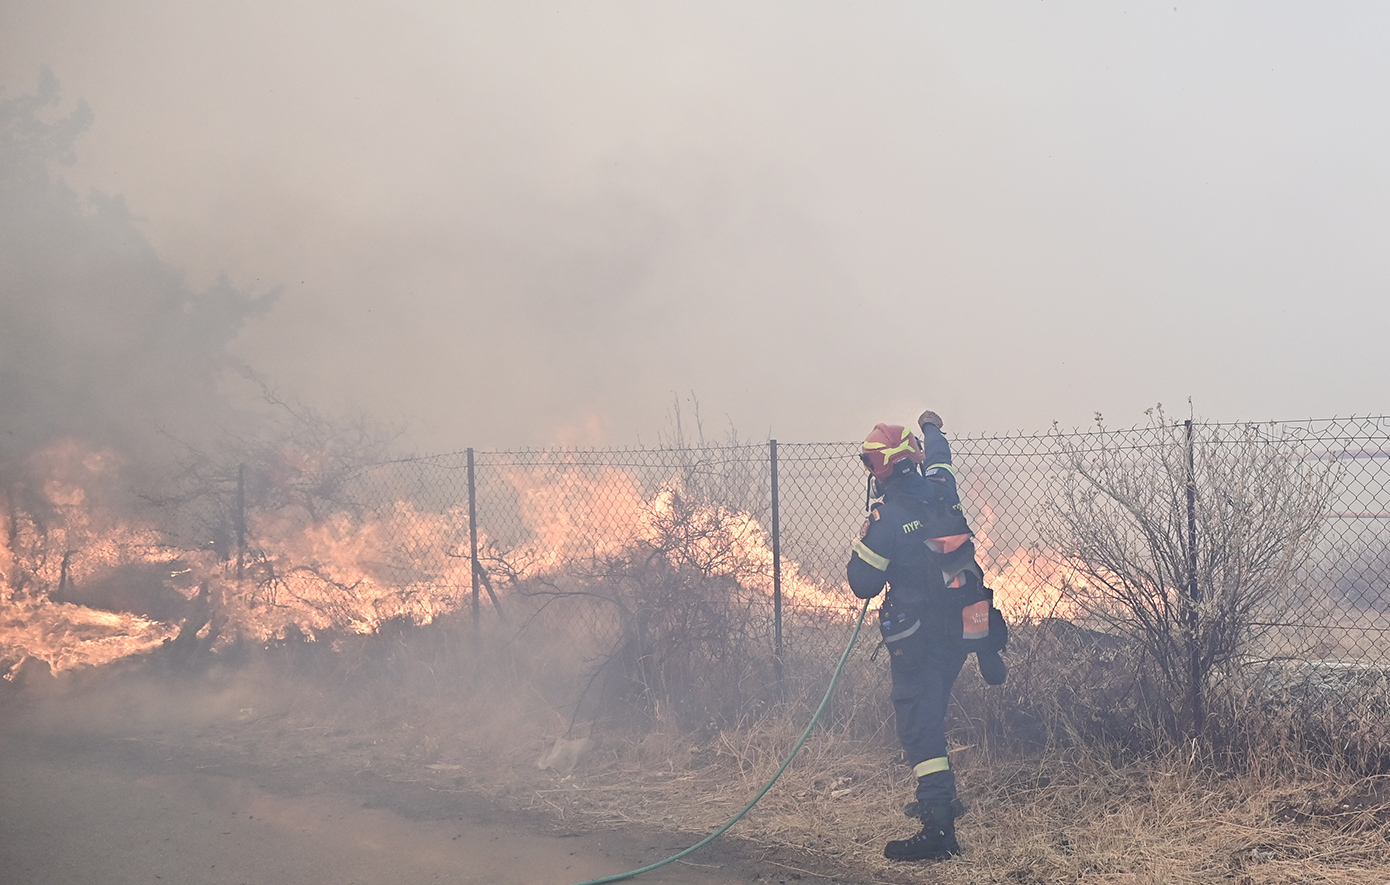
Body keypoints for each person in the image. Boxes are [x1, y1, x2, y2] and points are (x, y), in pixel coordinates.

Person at [846, 415, 1005, 862]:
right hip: (961, 627)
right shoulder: (942, 488)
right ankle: (939, 796)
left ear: (890, 466)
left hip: (920, 639)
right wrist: (932, 428)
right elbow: (942, 457)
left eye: (872, 462)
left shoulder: (888, 517)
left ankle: (939, 827)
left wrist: (867, 540)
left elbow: (862, 583)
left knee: (919, 724)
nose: (869, 471)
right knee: (933, 709)